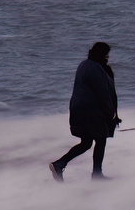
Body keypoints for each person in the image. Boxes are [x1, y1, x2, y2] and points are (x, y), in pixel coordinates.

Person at [49, 41, 120, 182]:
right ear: (102, 54)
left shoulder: (85, 65)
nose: (107, 57)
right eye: (106, 54)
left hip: (79, 110)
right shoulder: (96, 69)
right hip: (91, 112)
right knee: (100, 140)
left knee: (86, 142)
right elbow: (103, 94)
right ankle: (97, 175)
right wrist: (111, 115)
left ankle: (59, 164)